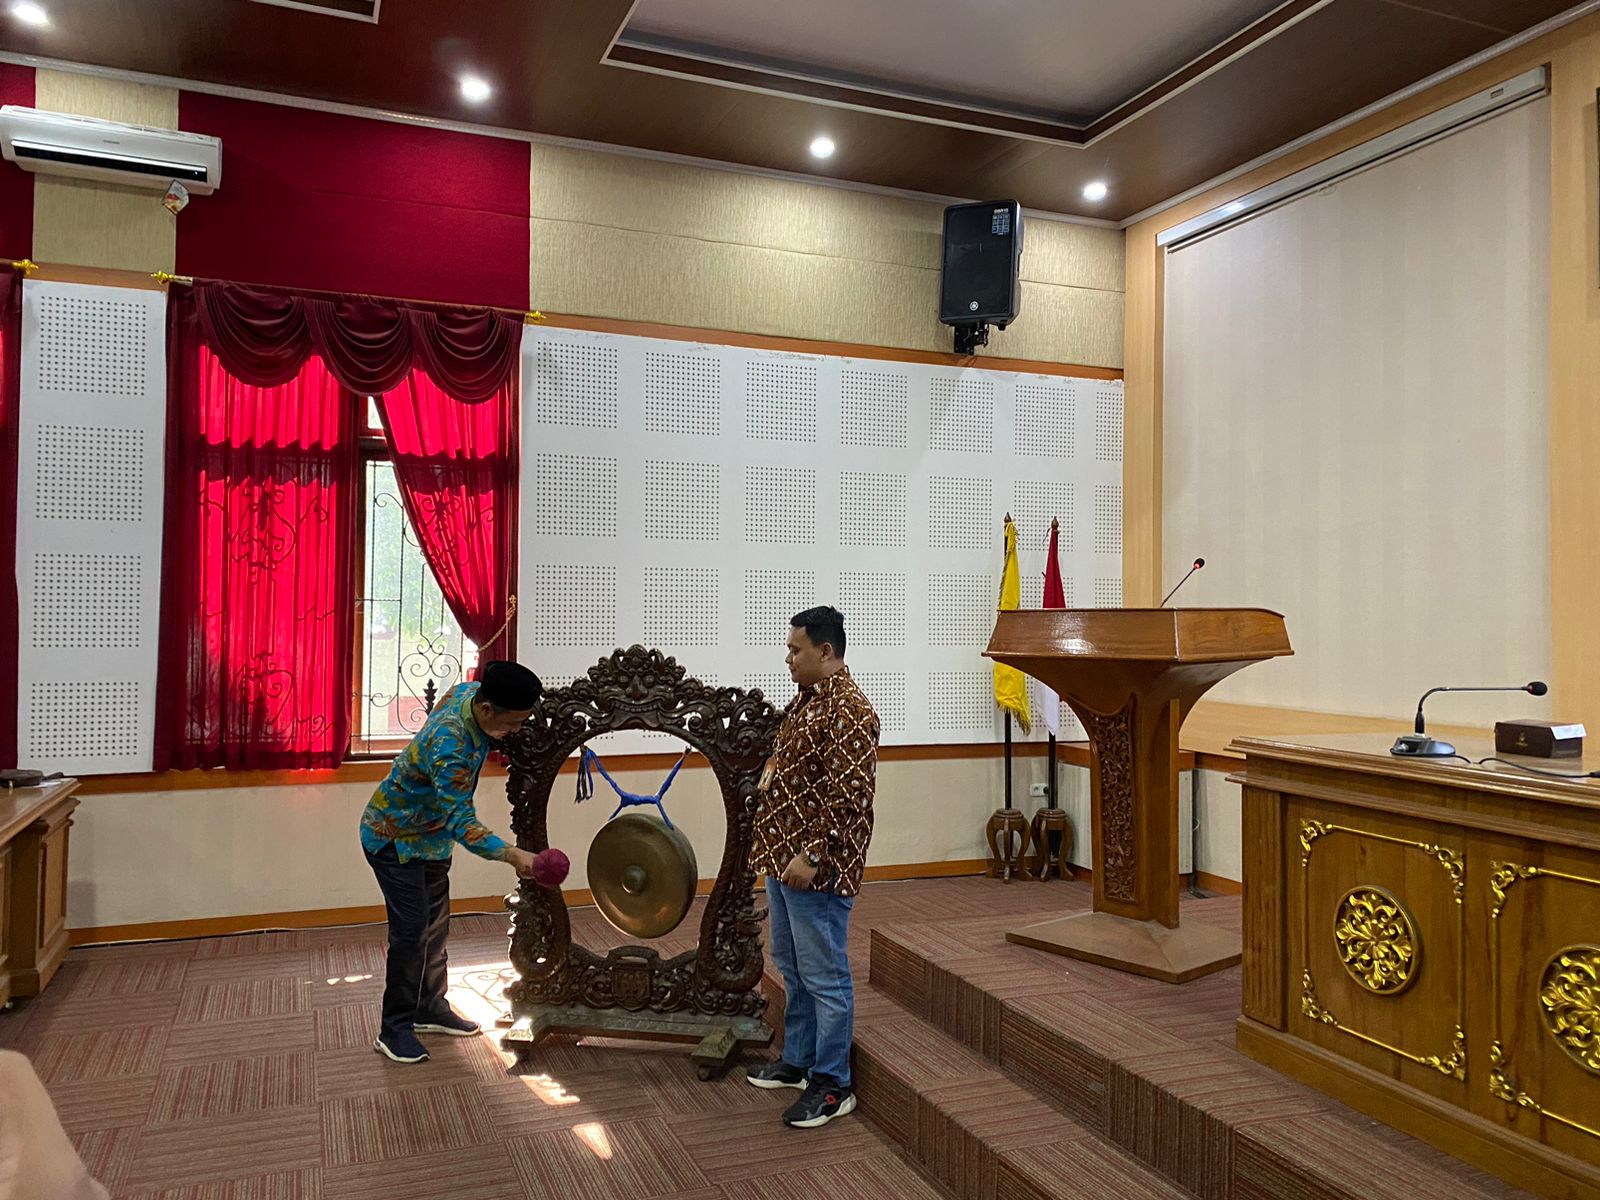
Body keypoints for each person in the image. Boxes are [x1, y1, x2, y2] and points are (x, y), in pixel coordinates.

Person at [359, 659, 543, 1064]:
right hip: (394, 840)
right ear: (488, 710)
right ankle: (394, 1030)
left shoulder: (467, 693)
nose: (513, 734)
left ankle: (429, 1008)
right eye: (511, 725)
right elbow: (461, 821)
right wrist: (514, 856)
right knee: (410, 934)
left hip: (431, 843)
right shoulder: (451, 744)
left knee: (435, 928)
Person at [746, 606, 880, 1128]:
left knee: (825, 975)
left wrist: (813, 855)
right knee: (792, 963)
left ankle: (833, 1083)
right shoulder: (805, 703)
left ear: (826, 652)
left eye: (795, 649)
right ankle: (800, 1062)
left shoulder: (850, 710)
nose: (788, 658)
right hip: (783, 860)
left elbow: (849, 798)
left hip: (814, 868)